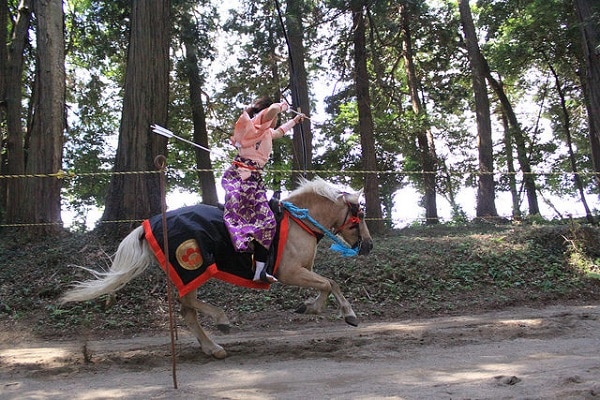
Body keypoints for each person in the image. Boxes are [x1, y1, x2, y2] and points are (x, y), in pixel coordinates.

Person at [222, 97, 305, 283]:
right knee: (266, 220)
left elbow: (280, 132)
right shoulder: (255, 126)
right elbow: (272, 110)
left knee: (267, 221)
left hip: (253, 180)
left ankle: (259, 270)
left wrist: (294, 121)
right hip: (242, 180)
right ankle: (254, 266)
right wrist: (283, 106)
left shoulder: (265, 132)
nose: (274, 120)